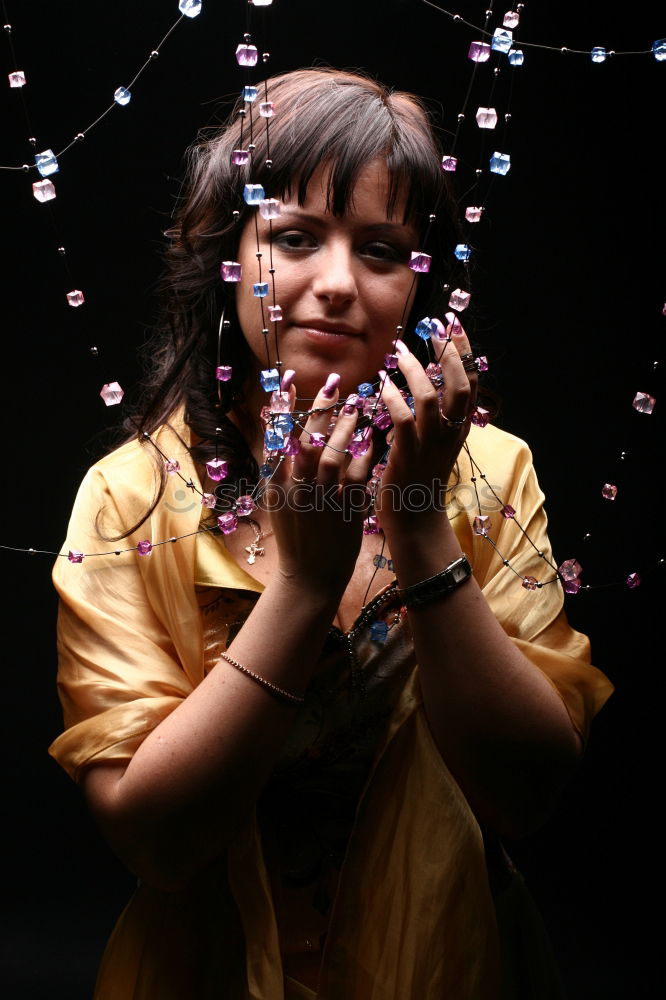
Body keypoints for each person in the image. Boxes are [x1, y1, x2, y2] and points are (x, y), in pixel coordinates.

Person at [49, 68, 612, 999]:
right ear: (227, 253)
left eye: (382, 249)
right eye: (297, 238)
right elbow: (157, 844)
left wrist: (423, 527)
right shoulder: (132, 498)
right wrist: (306, 588)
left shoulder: (491, 475)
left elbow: (526, 797)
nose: (338, 284)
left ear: (416, 278)